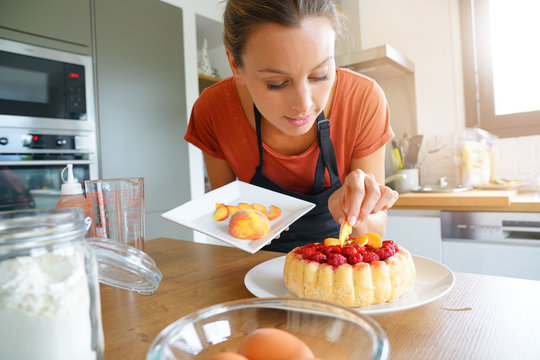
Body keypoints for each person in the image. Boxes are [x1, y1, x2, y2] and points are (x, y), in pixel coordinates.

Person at [185, 0, 399, 252]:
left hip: (337, 263)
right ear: (234, 64)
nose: (303, 104)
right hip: (251, 267)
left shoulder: (363, 99)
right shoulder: (213, 110)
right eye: (276, 83)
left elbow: (375, 231)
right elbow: (226, 218)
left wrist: (356, 212)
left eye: (320, 75)